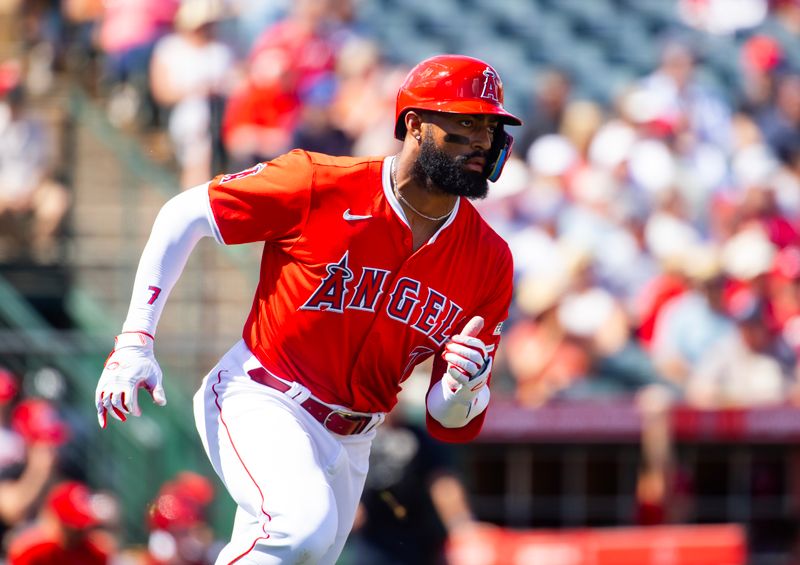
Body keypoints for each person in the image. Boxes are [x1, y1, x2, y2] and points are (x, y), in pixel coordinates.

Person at [94, 54, 521, 564]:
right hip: (264, 396)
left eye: (491, 128)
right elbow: (185, 213)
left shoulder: (490, 258)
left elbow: (451, 421)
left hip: (357, 439)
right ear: (415, 124)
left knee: (298, 549)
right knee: (301, 528)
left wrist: (463, 389)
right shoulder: (320, 181)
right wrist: (135, 340)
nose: (481, 141)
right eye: (465, 122)